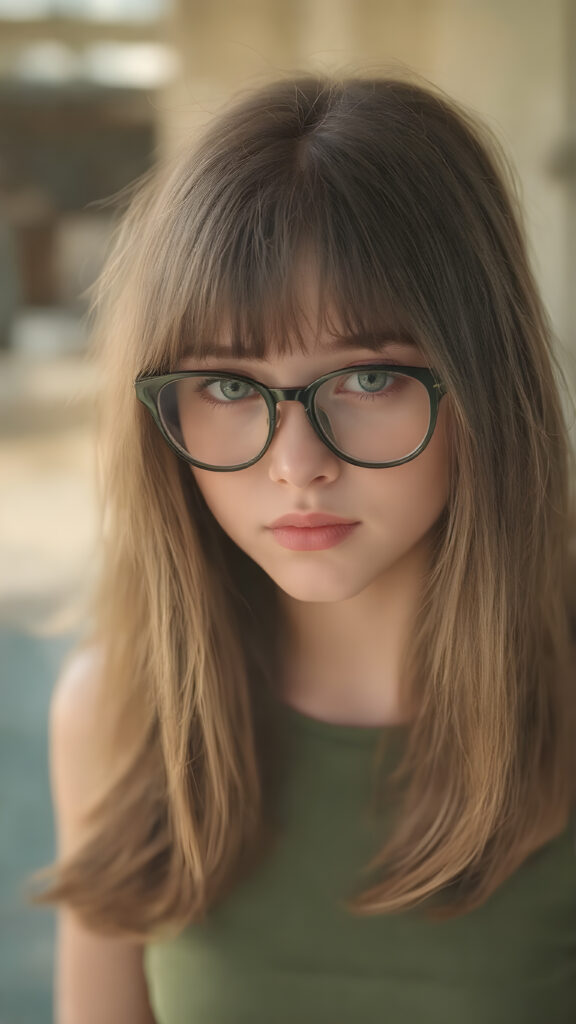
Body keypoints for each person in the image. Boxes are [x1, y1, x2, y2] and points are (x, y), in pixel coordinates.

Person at [36, 73, 576, 1023]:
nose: (298, 465)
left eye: (368, 376)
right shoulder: (118, 713)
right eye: (230, 387)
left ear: (484, 378)